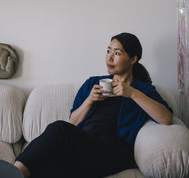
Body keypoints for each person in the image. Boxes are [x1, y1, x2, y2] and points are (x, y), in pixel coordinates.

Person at [14, 32, 173, 178]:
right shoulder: (92, 83)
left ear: (133, 59)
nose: (109, 58)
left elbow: (166, 118)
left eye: (117, 53)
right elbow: (73, 122)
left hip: (112, 152)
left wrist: (131, 93)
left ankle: (14, 172)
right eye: (108, 51)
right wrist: (89, 100)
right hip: (82, 145)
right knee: (46, 163)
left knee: (57, 128)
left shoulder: (142, 89)